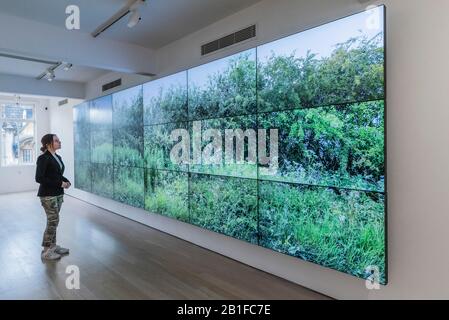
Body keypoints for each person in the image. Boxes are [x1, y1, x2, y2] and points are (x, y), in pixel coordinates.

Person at [35, 134, 71, 260]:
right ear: (48, 144)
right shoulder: (43, 158)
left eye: (59, 140)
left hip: (58, 194)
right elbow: (39, 178)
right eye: (56, 141)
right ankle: (46, 251)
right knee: (53, 221)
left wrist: (66, 181)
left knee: (54, 221)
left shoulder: (57, 157)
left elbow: (57, 175)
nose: (59, 142)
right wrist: (60, 183)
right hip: (48, 195)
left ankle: (53, 246)